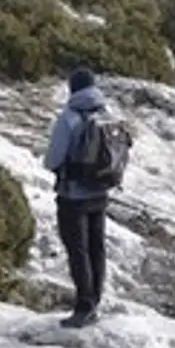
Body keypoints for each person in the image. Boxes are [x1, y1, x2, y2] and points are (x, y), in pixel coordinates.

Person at [43, 66, 111, 328]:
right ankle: (95, 300)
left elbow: (53, 160)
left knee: (78, 250)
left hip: (74, 195)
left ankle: (84, 306)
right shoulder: (105, 113)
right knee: (97, 247)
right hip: (101, 191)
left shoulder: (69, 118)